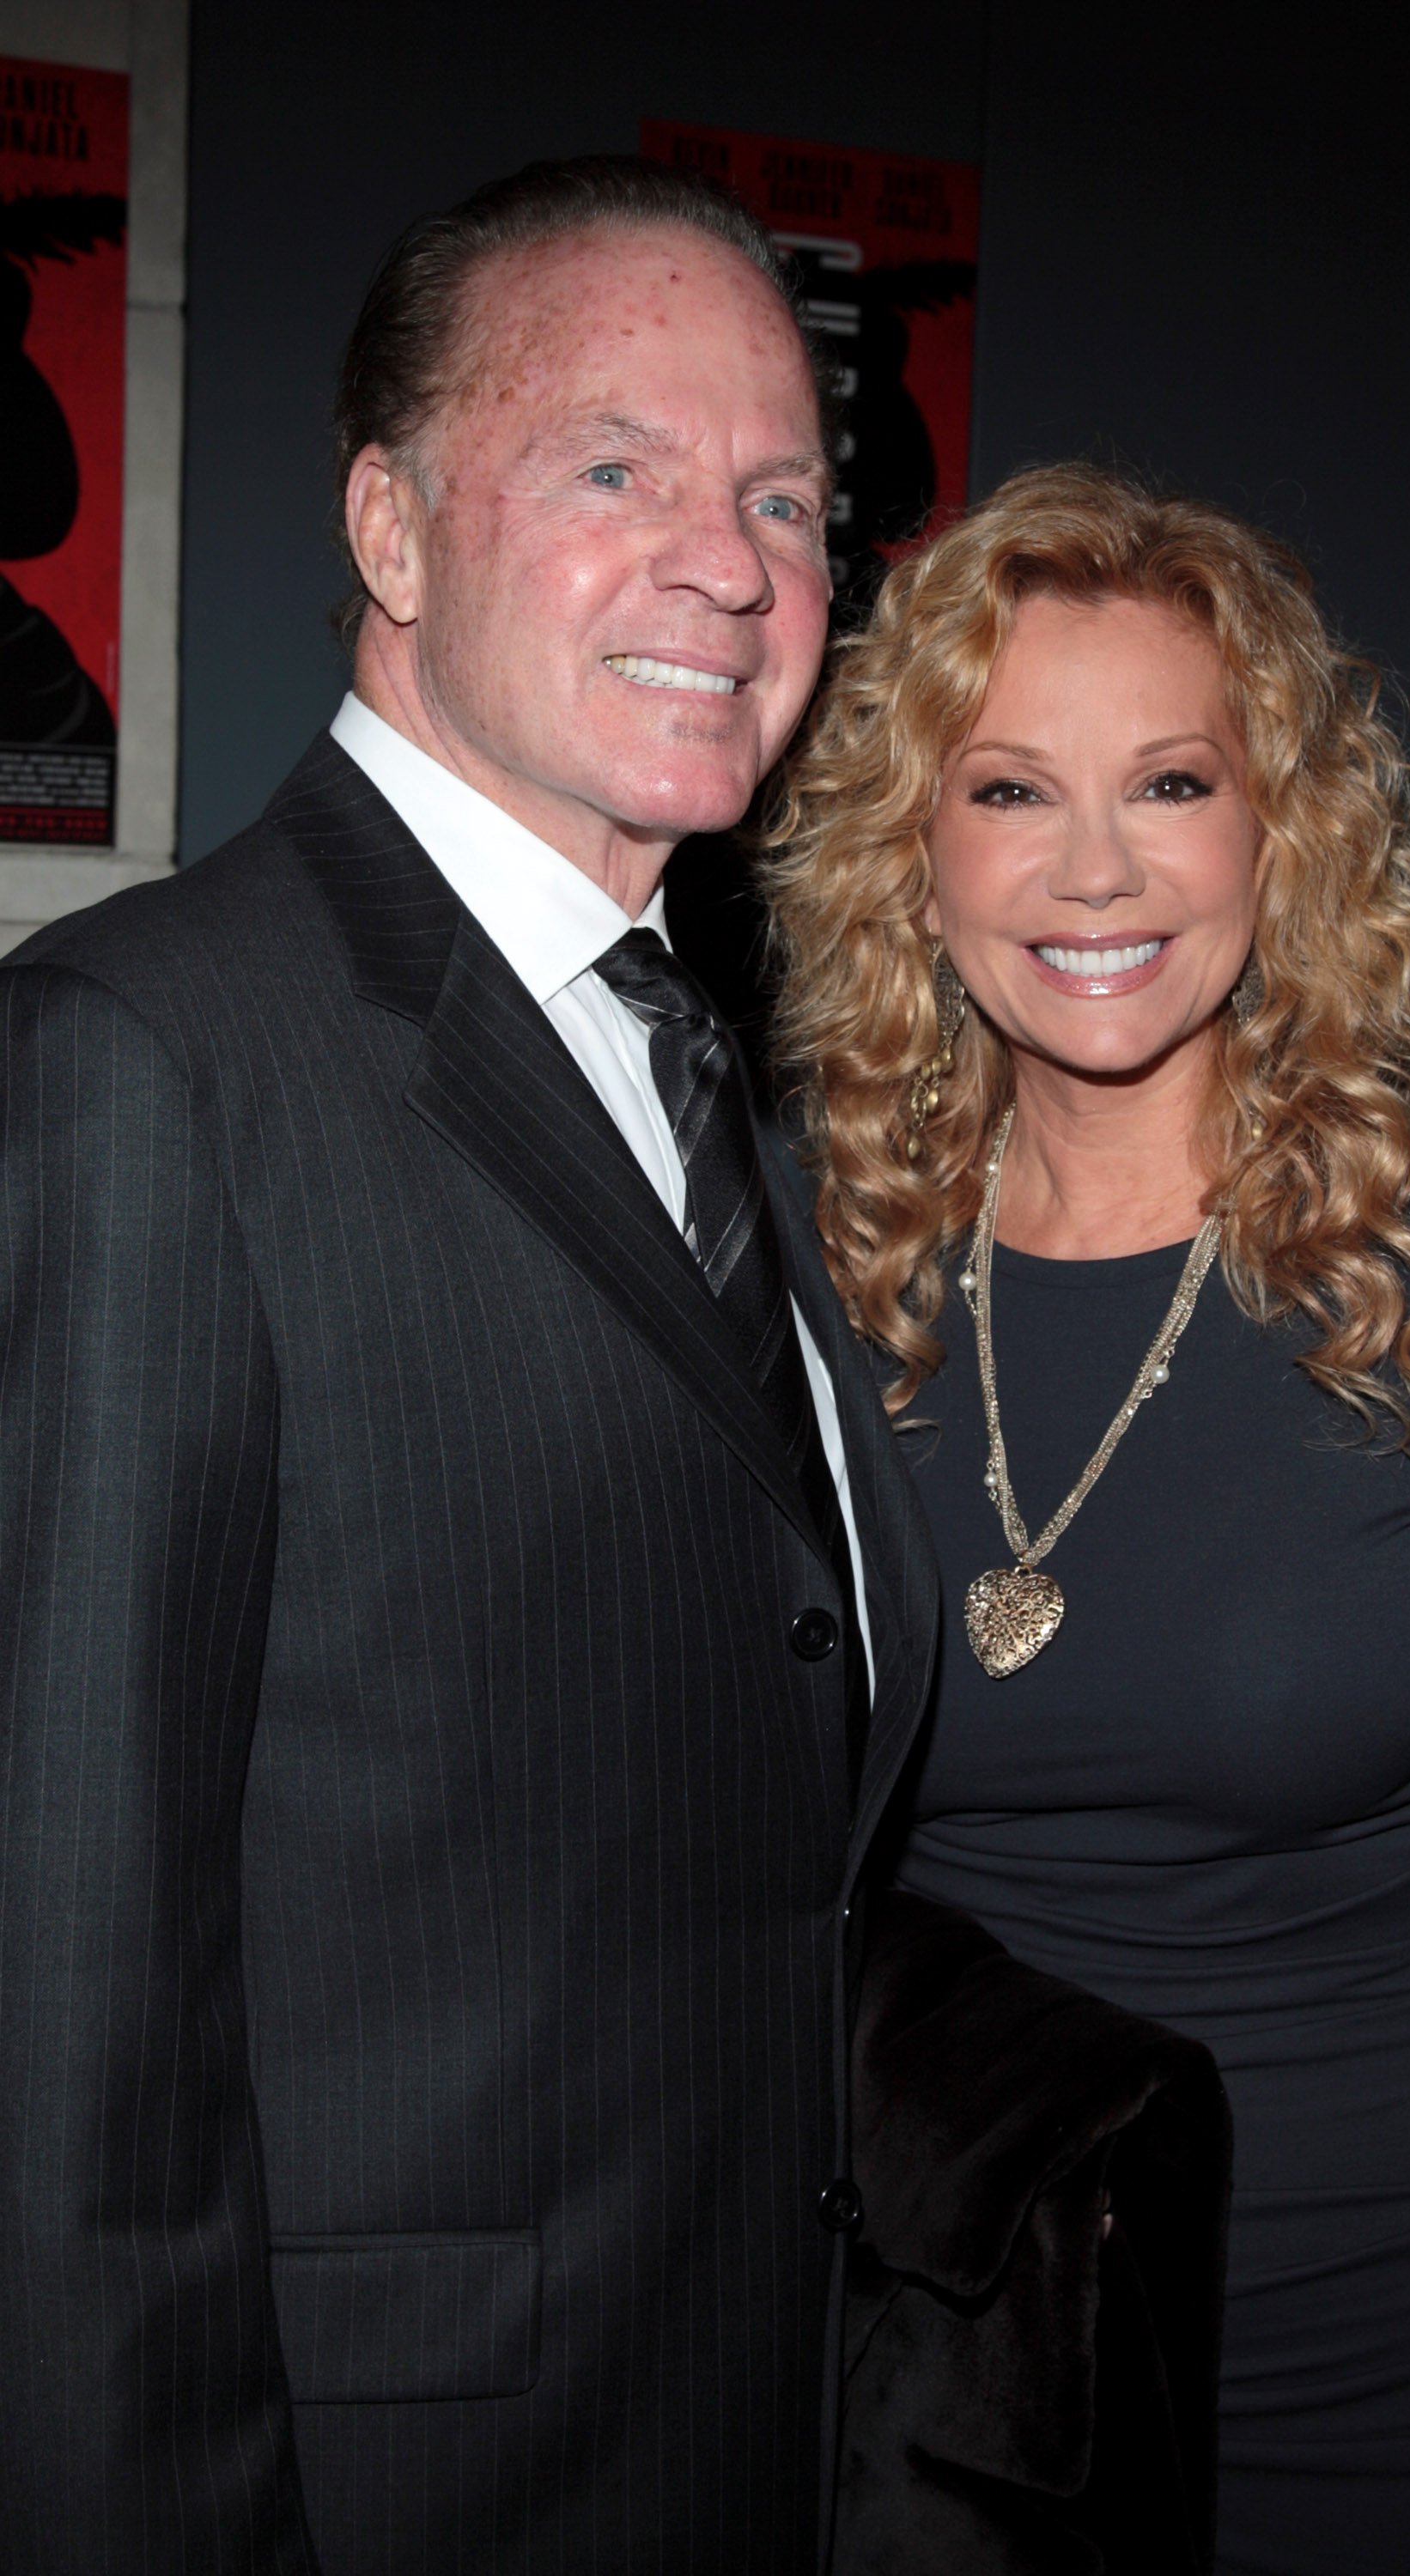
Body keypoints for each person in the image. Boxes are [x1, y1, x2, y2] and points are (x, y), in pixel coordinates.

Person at [0, 158, 939, 2573]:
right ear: (390, 530)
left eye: (782, 501)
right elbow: (64, 2034)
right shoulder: (147, 1065)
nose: (730, 567)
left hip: (746, 2435)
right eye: (612, 468)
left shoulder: (709, 1067)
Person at [762, 462, 1410, 2576]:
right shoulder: (797, 1271)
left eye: (1173, 781)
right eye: (1008, 790)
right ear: (906, 860)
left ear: (1275, 835)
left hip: (1395, 2352)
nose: (1094, 870)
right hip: (940, 2363)